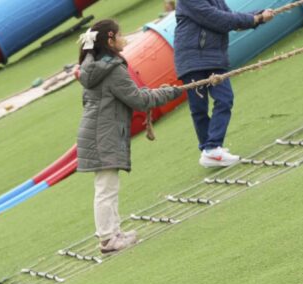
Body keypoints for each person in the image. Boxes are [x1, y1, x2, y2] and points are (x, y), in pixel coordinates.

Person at [77, 19, 183, 254]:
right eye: (119, 34)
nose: (123, 38)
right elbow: (139, 101)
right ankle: (108, 239)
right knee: (106, 187)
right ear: (110, 40)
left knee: (109, 186)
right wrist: (170, 91)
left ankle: (114, 233)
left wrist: (150, 92)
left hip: (99, 131)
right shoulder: (111, 69)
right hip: (103, 133)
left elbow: (128, 94)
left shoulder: (94, 67)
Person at [174, 0, 275, 167]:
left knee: (225, 98)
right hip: (191, 60)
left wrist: (259, 15)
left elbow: (230, 17)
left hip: (215, 58)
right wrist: (256, 18)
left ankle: (211, 149)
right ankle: (210, 149)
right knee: (199, 108)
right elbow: (218, 19)